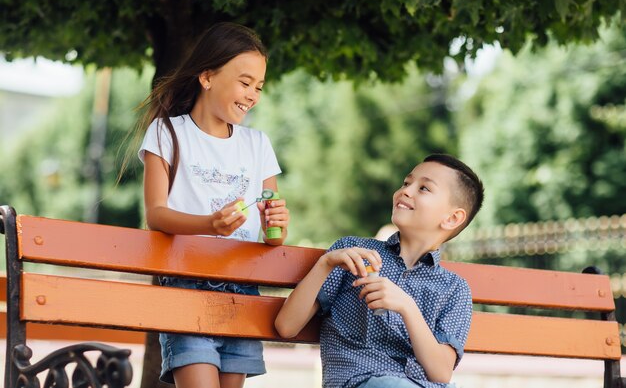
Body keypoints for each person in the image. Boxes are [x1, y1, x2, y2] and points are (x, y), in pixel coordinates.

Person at [136, 22, 290, 388]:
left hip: (243, 288)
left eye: (259, 86)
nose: (253, 94)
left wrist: (278, 225)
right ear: (207, 77)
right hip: (187, 285)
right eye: (244, 81)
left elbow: (273, 238)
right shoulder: (167, 132)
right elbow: (155, 214)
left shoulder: (258, 144)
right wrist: (209, 225)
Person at [275, 154, 484, 388]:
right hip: (359, 381)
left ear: (452, 218)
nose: (405, 190)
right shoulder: (351, 253)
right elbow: (286, 326)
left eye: (423, 188)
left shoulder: (454, 289)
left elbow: (440, 373)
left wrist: (407, 307)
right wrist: (325, 264)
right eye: (406, 183)